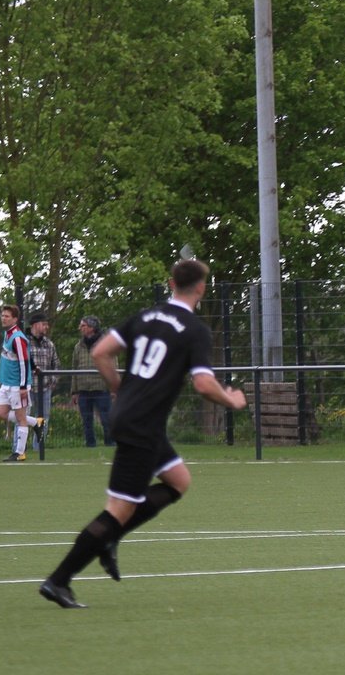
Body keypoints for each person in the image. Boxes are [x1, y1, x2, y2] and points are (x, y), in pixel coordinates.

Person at [40, 258, 247, 608]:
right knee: (118, 510)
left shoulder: (146, 316)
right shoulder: (194, 329)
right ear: (201, 288)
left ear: (171, 284)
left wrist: (118, 388)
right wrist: (232, 400)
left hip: (130, 417)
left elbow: (101, 352)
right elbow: (203, 383)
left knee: (178, 481)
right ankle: (59, 580)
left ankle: (110, 539)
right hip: (143, 426)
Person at [0, 304, 44, 462]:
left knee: (21, 418)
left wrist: (23, 386)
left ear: (15, 319)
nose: (3, 318)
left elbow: (24, 361)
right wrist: (34, 367)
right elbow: (27, 356)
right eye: (2, 315)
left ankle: (19, 453)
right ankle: (35, 422)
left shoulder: (18, 338)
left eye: (7, 316)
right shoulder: (7, 334)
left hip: (17, 385)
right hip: (6, 383)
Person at [70, 314, 114, 447]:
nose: (80, 328)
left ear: (92, 327)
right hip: (84, 389)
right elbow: (74, 369)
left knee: (106, 418)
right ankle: (90, 444)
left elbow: (113, 366)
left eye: (83, 325)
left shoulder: (106, 344)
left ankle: (110, 442)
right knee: (86, 420)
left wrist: (113, 388)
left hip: (102, 388)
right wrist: (74, 391)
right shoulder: (78, 346)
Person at [26, 312, 60, 428]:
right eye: (44, 324)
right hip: (27, 388)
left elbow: (56, 364)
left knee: (43, 419)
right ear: (35, 325)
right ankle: (20, 440)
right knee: (22, 418)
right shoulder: (24, 342)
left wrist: (52, 382)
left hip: (45, 388)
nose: (47, 327)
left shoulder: (49, 344)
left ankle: (39, 440)